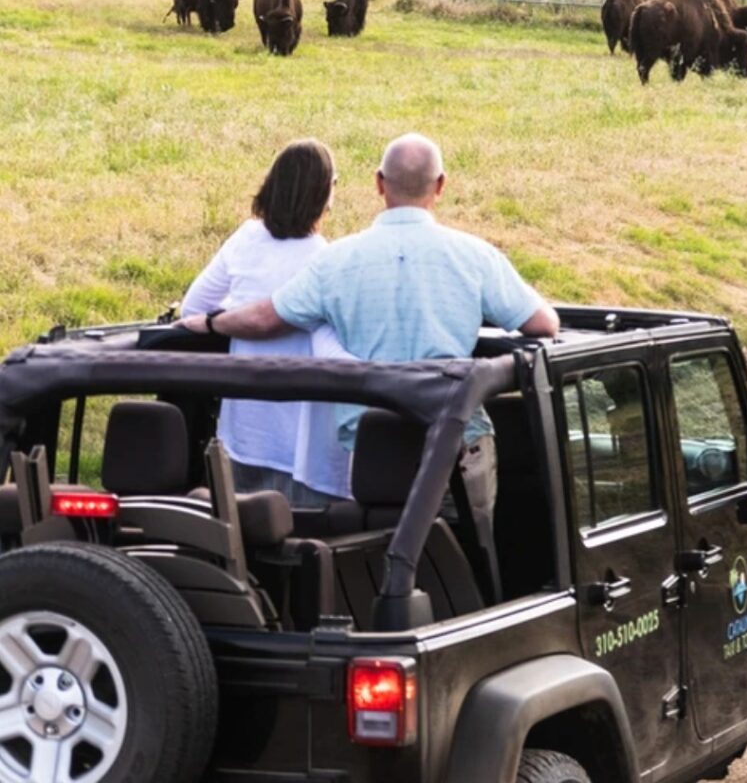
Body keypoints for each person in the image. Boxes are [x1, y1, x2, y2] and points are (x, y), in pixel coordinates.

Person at [179, 133, 559, 594]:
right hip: (457, 439)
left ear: (379, 184)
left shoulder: (335, 261)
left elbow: (264, 316)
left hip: (370, 447)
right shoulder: (476, 256)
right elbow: (543, 323)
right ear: (440, 186)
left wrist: (211, 323)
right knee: (469, 554)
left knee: (368, 555)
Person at [180, 138, 354, 505]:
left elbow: (193, 307)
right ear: (326, 193)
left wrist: (230, 309)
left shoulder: (245, 239)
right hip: (300, 445)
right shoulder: (326, 261)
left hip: (242, 430)